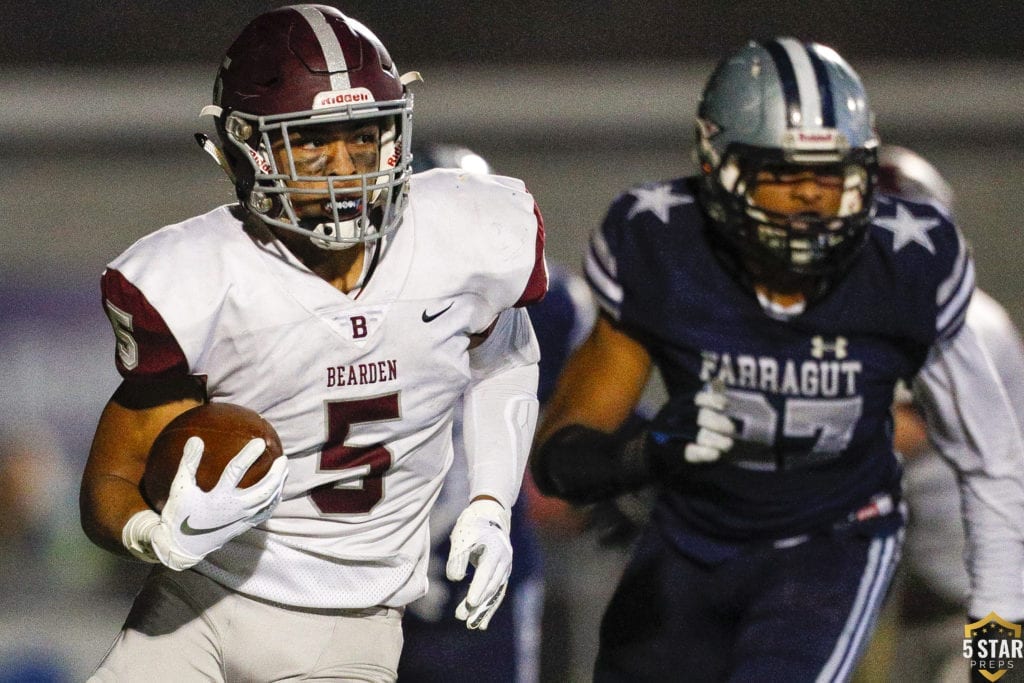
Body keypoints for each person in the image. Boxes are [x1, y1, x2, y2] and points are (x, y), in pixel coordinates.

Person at [530, 37, 1024, 682]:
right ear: (717, 167)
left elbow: (991, 461)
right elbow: (562, 459)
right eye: (784, 175)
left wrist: (1002, 643)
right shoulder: (660, 242)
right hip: (692, 536)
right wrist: (643, 455)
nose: (812, 198)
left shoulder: (910, 267)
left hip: (834, 542)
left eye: (830, 174)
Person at [79, 6, 547, 682]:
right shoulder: (197, 278)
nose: (345, 166)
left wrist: (491, 505)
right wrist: (154, 534)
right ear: (245, 148)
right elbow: (112, 474)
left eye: (363, 137)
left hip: (352, 624)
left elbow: (506, 355)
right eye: (311, 141)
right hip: (199, 602)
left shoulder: (462, 234)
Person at [398, 144, 585, 683]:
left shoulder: (543, 304)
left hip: (478, 574)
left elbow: (593, 400)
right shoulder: (334, 303)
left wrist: (576, 467)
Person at [875, 145, 1024, 682]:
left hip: (990, 586)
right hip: (928, 581)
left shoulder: (966, 325)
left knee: (991, 678)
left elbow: (896, 435)